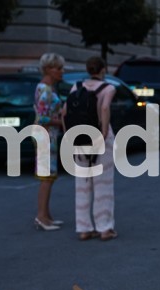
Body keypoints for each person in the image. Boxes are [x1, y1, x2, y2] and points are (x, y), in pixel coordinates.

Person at [70, 56, 117, 241]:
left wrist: (70, 136)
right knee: (103, 184)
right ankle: (104, 227)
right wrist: (104, 132)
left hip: (79, 138)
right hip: (100, 138)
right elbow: (104, 108)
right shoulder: (108, 88)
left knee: (82, 185)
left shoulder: (76, 87)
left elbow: (65, 111)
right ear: (103, 69)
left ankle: (84, 228)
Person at [34, 52, 66, 231]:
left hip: (47, 135)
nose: (62, 71)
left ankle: (46, 215)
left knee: (49, 176)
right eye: (58, 68)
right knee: (47, 177)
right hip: (46, 135)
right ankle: (41, 216)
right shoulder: (46, 90)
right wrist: (62, 122)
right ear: (48, 69)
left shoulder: (45, 88)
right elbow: (42, 118)